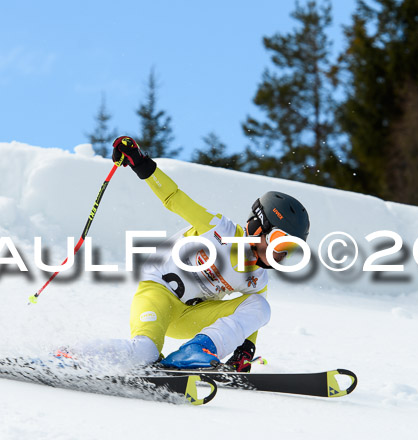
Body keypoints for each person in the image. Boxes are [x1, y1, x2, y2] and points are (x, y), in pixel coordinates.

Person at [66, 136, 310, 372]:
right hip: (158, 294)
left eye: (290, 250)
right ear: (258, 226)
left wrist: (245, 350)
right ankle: (67, 355)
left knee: (260, 306)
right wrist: (140, 162)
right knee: (144, 353)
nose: (281, 255)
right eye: (280, 242)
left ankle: (195, 351)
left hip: (190, 318)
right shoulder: (218, 229)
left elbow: (249, 316)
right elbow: (173, 197)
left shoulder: (257, 277)